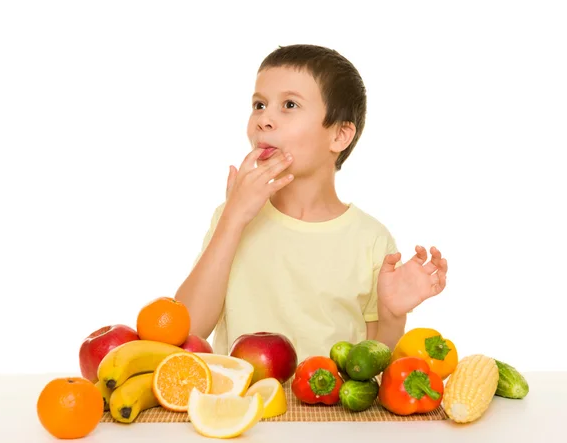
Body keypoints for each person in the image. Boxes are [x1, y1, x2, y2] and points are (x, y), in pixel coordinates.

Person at [175, 44, 448, 362]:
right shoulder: (231, 217)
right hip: (245, 405)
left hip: (327, 410)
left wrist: (391, 315)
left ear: (339, 136)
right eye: (259, 105)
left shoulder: (370, 240)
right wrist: (233, 219)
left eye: (289, 104)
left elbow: (373, 360)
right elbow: (187, 330)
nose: (264, 120)